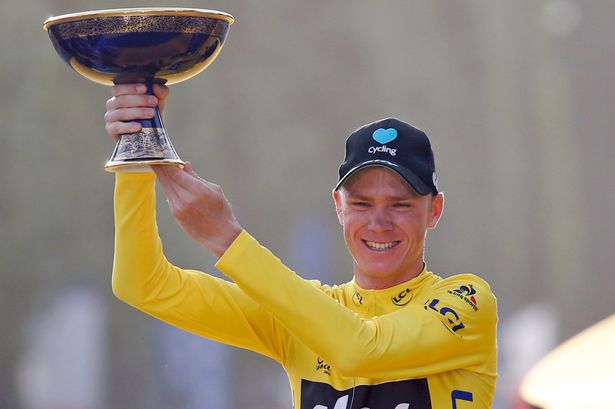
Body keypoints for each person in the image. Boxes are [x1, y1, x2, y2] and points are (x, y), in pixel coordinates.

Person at [105, 83, 498, 409]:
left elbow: (362, 350)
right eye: (362, 203)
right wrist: (137, 153)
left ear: (435, 210)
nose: (379, 223)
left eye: (401, 204)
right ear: (339, 207)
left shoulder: (468, 302)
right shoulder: (303, 313)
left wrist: (227, 238)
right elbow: (142, 284)